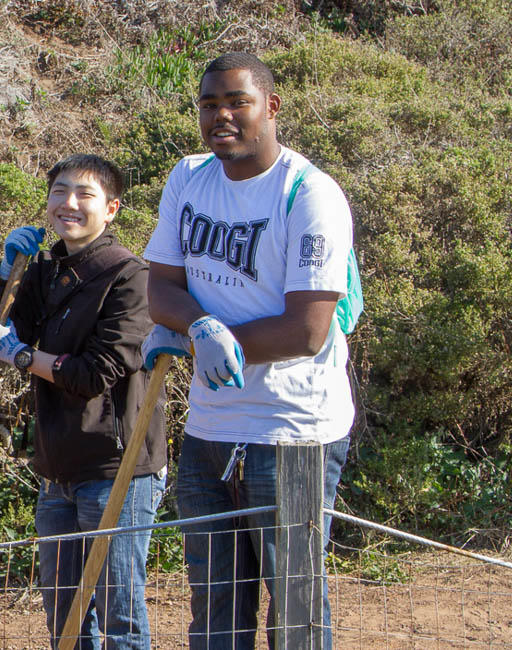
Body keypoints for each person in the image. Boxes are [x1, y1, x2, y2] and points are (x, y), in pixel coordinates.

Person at [141, 52, 360, 649]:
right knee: (214, 609)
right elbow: (159, 286)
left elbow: (308, 330)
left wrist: (208, 336)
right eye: (210, 104)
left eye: (238, 101)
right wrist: (200, 326)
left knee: (295, 610)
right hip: (212, 429)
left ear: (272, 107)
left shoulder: (310, 194)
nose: (222, 116)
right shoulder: (190, 177)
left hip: (293, 431)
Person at [0, 154, 164, 649]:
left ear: (112, 208)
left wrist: (20, 356)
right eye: (59, 192)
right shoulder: (44, 270)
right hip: (56, 469)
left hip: (115, 468)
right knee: (65, 616)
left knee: (120, 612)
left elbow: (93, 374)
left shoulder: (130, 277)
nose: (69, 204)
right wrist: (2, 272)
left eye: (84, 194)